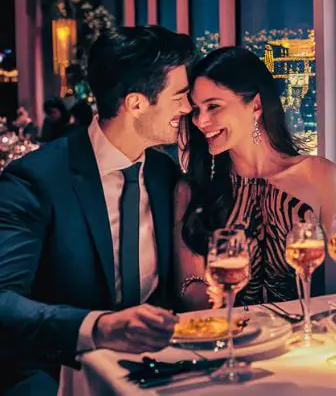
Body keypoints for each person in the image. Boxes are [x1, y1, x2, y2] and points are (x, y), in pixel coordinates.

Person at [0, 26, 194, 395]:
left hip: (155, 370)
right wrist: (99, 326)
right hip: (57, 371)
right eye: (179, 96)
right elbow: (3, 301)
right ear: (136, 103)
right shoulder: (36, 180)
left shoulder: (164, 174)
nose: (187, 108)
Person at [175, 47, 336, 311]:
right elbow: (189, 283)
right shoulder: (192, 188)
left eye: (213, 106)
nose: (200, 120)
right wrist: (211, 300)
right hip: (231, 336)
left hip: (305, 339)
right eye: (196, 109)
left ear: (255, 105)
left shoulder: (320, 174)